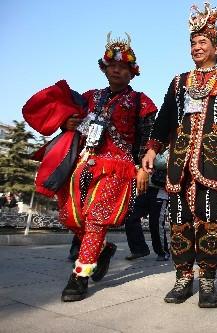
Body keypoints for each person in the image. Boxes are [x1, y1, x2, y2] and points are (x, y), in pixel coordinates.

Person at [23, 32, 157, 302]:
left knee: (96, 218)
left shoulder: (141, 101)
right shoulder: (88, 97)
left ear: (132, 73)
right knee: (70, 216)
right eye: (112, 66)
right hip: (82, 163)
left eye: (123, 67)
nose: (117, 70)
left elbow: (150, 137)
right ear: (105, 69)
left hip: (117, 167)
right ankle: (104, 248)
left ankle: (80, 275)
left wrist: (144, 168)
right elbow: (69, 121)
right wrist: (67, 124)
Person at [142, 3, 217, 308]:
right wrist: (152, 148)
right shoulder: (178, 82)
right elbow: (163, 120)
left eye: (203, 42)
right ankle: (184, 278)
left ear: (216, 46)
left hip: (213, 167)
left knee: (212, 224)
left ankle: (208, 280)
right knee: (178, 223)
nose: (197, 47)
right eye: (193, 43)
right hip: (178, 168)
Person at [125, 150, 171, 261]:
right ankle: (139, 249)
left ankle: (162, 251)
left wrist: (146, 157)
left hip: (160, 190)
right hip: (145, 189)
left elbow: (161, 162)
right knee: (130, 216)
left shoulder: (169, 146)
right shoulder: (146, 145)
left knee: (155, 223)